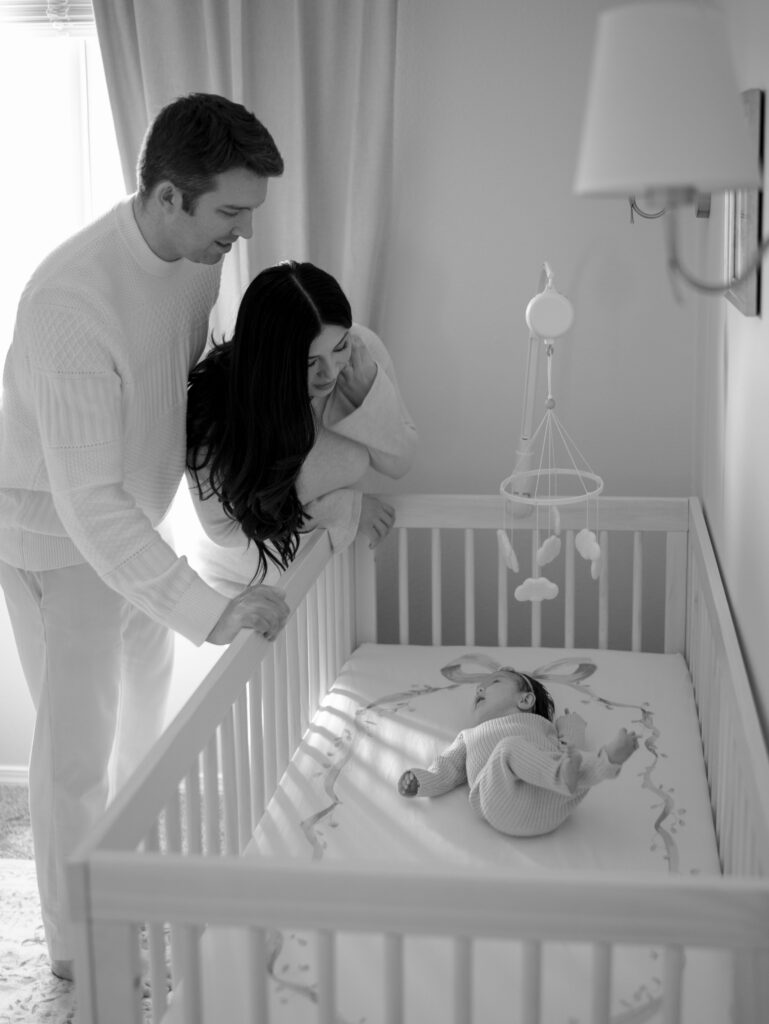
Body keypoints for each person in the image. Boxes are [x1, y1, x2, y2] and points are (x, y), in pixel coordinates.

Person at [0, 93, 290, 981]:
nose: (241, 234)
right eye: (229, 213)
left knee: (144, 727)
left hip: (135, 520)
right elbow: (87, 503)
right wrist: (207, 609)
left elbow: (173, 399)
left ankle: (129, 882)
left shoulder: (194, 264)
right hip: (56, 540)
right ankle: (77, 949)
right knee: (76, 754)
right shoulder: (71, 305)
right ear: (169, 196)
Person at [185, 260, 417, 593]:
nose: (330, 372)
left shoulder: (359, 357)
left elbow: (400, 461)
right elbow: (224, 530)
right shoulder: (214, 411)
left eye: (339, 347)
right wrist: (340, 511)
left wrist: (368, 397)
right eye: (308, 362)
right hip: (242, 582)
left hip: (325, 571)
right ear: (271, 361)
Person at [398, 667, 638, 837]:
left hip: (551, 802)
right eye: (479, 688)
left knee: (572, 764)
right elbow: (447, 768)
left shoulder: (542, 728)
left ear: (525, 700)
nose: (480, 688)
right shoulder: (470, 736)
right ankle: (575, 771)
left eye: (495, 682)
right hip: (501, 801)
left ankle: (607, 761)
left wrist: (570, 726)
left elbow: (569, 751)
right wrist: (422, 781)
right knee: (510, 749)